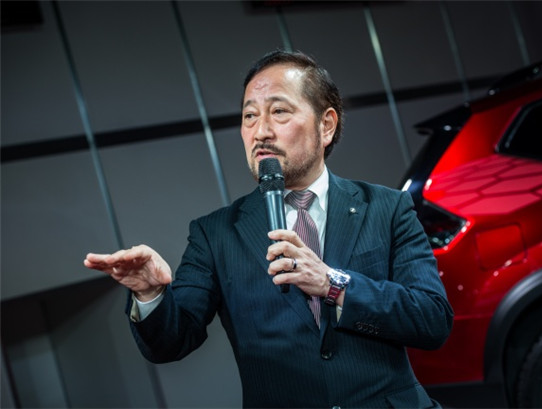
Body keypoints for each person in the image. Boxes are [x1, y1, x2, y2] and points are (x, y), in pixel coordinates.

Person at [84, 50, 453, 408]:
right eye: (249, 116)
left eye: (279, 112)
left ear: (326, 125)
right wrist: (150, 295)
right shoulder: (216, 234)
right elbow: (170, 343)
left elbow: (432, 319)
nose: (260, 131)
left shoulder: (387, 208)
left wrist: (333, 284)